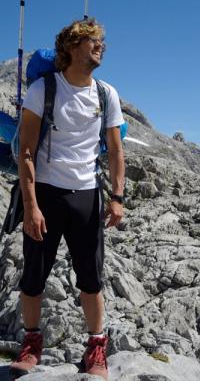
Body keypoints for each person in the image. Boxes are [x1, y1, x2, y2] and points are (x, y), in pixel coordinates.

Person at [9, 19, 125, 380]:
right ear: (72, 47)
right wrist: (31, 206)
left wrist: (117, 197)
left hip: (86, 196)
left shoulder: (106, 94)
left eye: (102, 41)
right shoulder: (44, 90)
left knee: (90, 278)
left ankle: (96, 348)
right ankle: (31, 343)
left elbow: (117, 153)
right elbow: (26, 152)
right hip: (45, 192)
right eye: (93, 41)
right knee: (33, 277)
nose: (100, 46)